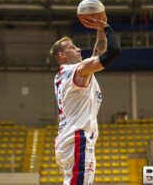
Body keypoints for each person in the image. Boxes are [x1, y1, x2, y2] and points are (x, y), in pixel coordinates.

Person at [49, 16, 121, 185]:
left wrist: (100, 30)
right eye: (73, 47)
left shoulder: (64, 74)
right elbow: (114, 52)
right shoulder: (79, 70)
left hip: (68, 140)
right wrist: (107, 27)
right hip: (77, 140)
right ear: (62, 55)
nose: (79, 49)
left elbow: (98, 52)